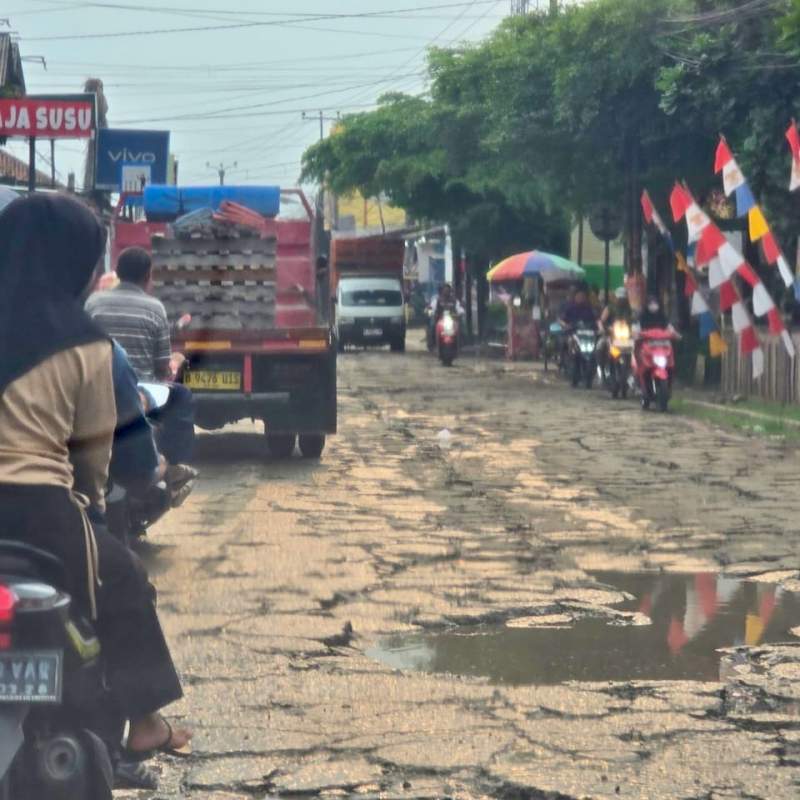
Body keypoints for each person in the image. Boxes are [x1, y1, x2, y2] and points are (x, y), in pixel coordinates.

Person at [0, 194, 191, 763]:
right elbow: (99, 462)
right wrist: (95, 513)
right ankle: (146, 721)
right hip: (43, 513)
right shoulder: (88, 346)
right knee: (125, 578)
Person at [85, 246, 195, 466]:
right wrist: (174, 363)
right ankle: (175, 465)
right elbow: (162, 367)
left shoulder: (93, 303)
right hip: (141, 390)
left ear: (117, 271)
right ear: (147, 276)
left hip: (95, 389)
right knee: (183, 395)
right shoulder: (155, 308)